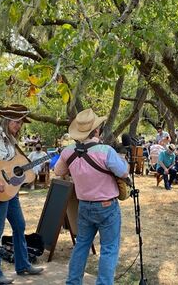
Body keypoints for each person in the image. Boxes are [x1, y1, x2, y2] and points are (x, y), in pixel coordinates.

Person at [54, 108, 128, 285]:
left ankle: (73, 282)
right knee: (109, 249)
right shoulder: (105, 151)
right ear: (96, 130)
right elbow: (124, 172)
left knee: (81, 246)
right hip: (107, 206)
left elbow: (58, 171)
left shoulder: (68, 152)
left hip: (84, 206)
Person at [0, 104, 43, 285]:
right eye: (17, 122)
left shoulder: (11, 141)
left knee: (19, 225)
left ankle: (23, 264)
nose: (19, 126)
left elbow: (14, 165)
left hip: (11, 191)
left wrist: (30, 171)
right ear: (7, 120)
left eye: (21, 123)